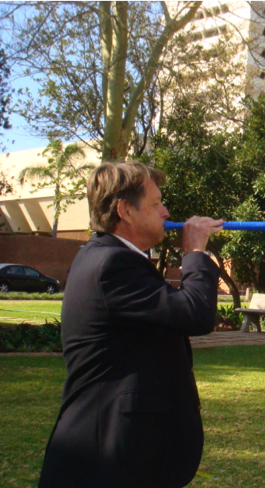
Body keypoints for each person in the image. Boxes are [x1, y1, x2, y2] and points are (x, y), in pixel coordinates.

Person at [39, 161, 223, 488]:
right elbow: (195, 313)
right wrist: (195, 252)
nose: (166, 212)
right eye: (156, 203)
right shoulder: (112, 263)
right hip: (104, 459)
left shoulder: (111, 257)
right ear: (125, 210)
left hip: (118, 456)